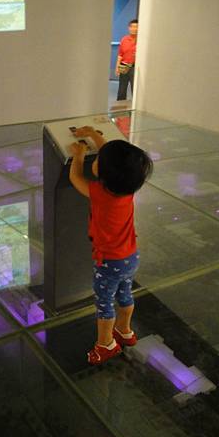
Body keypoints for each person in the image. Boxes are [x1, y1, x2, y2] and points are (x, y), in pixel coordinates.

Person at [69, 126, 153, 365]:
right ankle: (125, 331)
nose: (96, 161)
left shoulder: (100, 193)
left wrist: (78, 155)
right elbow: (112, 156)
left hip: (108, 262)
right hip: (130, 258)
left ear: (102, 173)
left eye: (98, 161)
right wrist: (93, 134)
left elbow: (76, 178)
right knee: (125, 293)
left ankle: (106, 344)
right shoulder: (127, 190)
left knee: (104, 302)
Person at [115, 19, 138, 101]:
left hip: (134, 67)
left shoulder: (141, 41)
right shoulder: (124, 39)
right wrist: (117, 67)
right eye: (132, 27)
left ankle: (135, 106)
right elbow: (120, 55)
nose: (134, 29)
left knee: (134, 89)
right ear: (129, 28)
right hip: (123, 65)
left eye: (136, 27)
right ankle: (119, 106)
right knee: (121, 89)